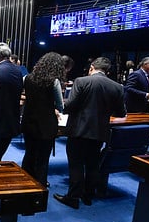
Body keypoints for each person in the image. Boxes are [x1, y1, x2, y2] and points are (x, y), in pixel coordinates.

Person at [54, 57, 126, 209]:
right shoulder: (117, 87)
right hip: (100, 131)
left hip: (79, 130)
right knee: (93, 164)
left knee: (76, 164)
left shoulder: (81, 81)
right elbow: (121, 113)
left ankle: (73, 197)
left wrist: (61, 106)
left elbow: (70, 105)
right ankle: (88, 196)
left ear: (92, 67)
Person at [21, 52, 65, 187]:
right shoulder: (54, 82)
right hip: (46, 124)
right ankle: (40, 187)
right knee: (42, 159)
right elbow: (60, 105)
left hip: (28, 122)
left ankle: (25, 183)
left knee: (29, 153)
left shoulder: (26, 78)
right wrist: (56, 110)